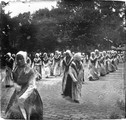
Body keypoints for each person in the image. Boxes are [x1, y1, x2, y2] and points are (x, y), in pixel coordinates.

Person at [5, 51, 43, 120]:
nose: (19, 60)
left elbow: (32, 86)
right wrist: (15, 84)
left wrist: (24, 96)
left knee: (28, 112)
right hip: (18, 93)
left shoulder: (29, 70)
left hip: (29, 94)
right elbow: (14, 80)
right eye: (18, 59)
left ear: (25, 59)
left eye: (21, 58)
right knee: (15, 111)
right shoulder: (15, 70)